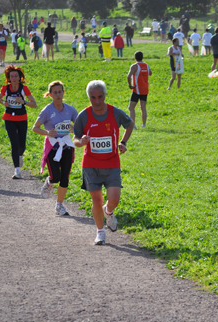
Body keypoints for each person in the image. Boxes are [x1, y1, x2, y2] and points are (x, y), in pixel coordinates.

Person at [72, 80, 134, 245]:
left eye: (100, 97)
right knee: (97, 201)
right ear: (89, 97)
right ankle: (100, 232)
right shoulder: (84, 115)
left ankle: (109, 211)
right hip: (91, 164)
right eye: (93, 97)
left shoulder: (115, 113)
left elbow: (130, 124)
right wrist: (81, 142)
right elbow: (75, 138)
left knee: (114, 199)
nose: (97, 101)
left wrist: (123, 142)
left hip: (112, 162)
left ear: (105, 95)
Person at [33, 81, 78, 216]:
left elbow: (80, 126)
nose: (58, 95)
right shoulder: (47, 110)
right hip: (53, 146)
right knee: (56, 177)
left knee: (65, 178)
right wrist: (47, 133)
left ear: (63, 93)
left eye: (60, 92)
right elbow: (35, 127)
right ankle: (49, 182)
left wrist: (73, 128)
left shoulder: (70, 110)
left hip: (67, 145)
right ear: (50, 94)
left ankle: (59, 206)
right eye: (55, 92)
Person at [0, 66, 37, 179]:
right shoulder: (5, 88)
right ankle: (17, 171)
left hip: (22, 118)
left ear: (20, 78)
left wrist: (23, 102)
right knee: (14, 143)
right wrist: (3, 102)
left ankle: (20, 156)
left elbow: (34, 104)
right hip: (9, 118)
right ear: (9, 78)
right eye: (11, 76)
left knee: (21, 146)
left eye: (16, 76)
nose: (14, 78)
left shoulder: (24, 89)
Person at [127, 51, 152, 129]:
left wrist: (130, 85)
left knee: (131, 107)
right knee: (143, 107)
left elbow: (128, 76)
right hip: (145, 89)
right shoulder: (146, 65)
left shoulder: (134, 66)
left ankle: (133, 125)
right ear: (142, 57)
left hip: (136, 89)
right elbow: (150, 73)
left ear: (135, 58)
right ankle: (144, 125)